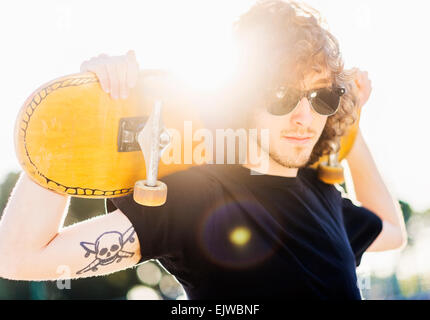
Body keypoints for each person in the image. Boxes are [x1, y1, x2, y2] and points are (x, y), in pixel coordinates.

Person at [0, 0, 406, 299]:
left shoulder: (323, 197)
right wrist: (78, 113)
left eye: (322, 97)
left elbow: (393, 232)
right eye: (282, 95)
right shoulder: (197, 196)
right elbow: (19, 256)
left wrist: (353, 127)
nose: (305, 118)